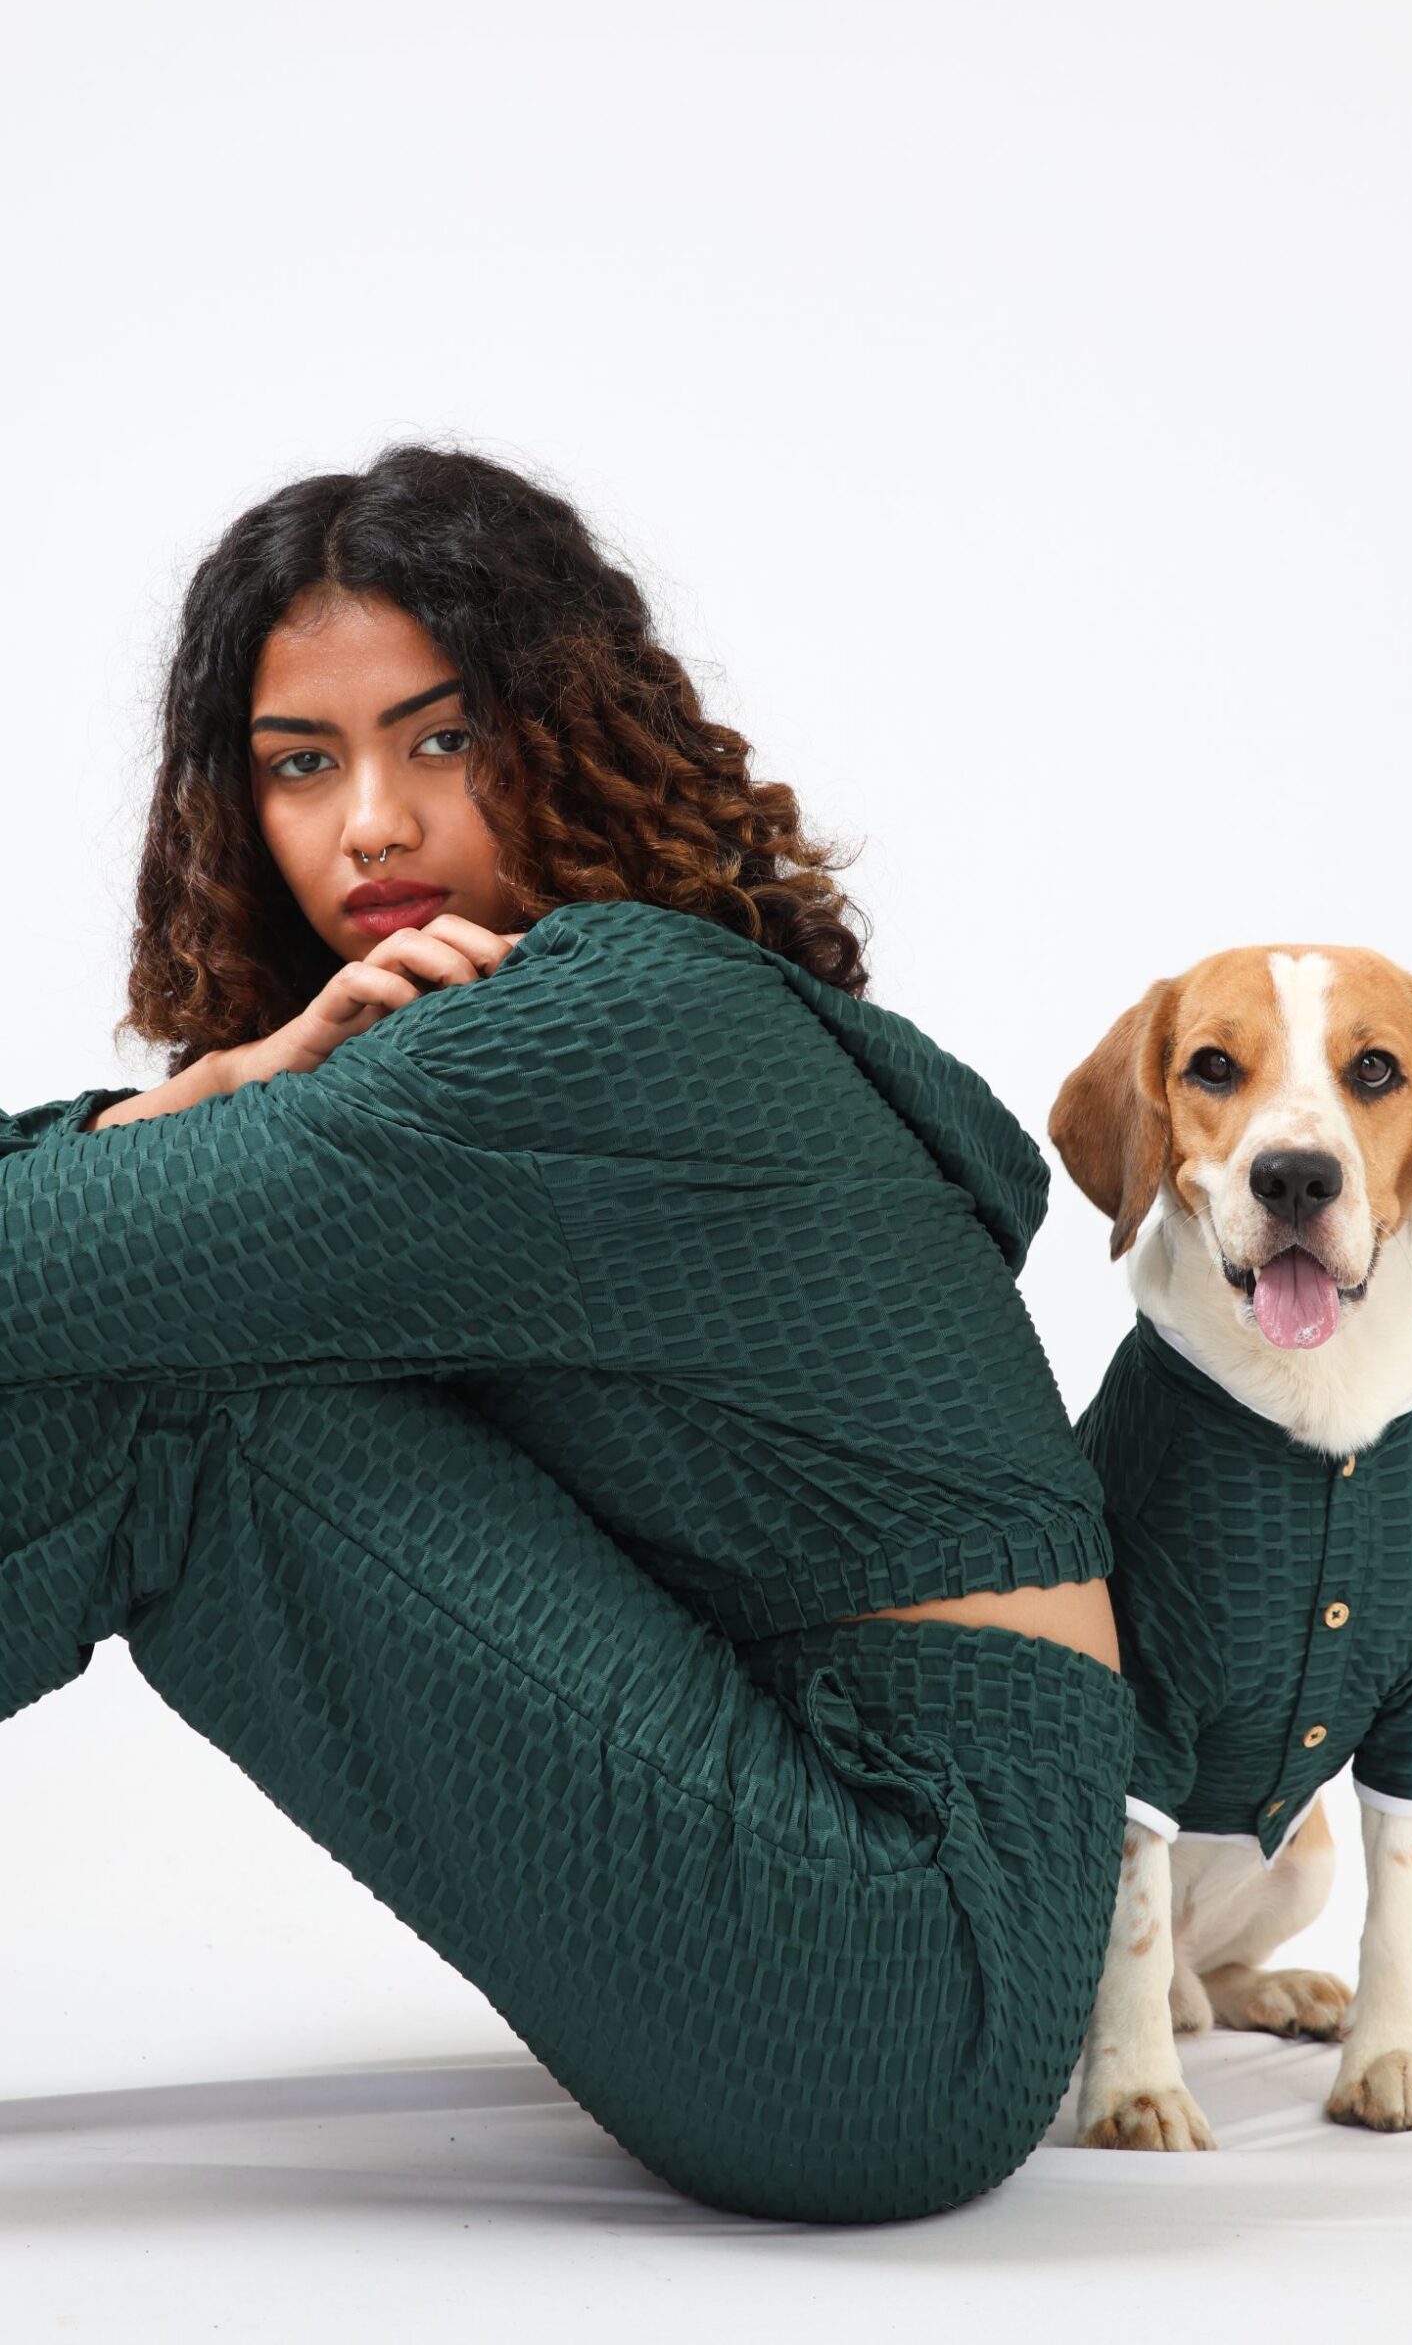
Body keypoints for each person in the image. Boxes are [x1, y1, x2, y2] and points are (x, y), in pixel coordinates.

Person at [0, 442, 1133, 2222]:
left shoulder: (595, 1025)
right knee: (164, 1344)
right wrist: (215, 1090)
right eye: (302, 764)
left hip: (901, 1968)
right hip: (897, 1928)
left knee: (165, 1398)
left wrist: (194, 1106)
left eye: (441, 739)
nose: (370, 819)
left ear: (570, 724)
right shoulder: (556, 1023)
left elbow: (42, 1274)